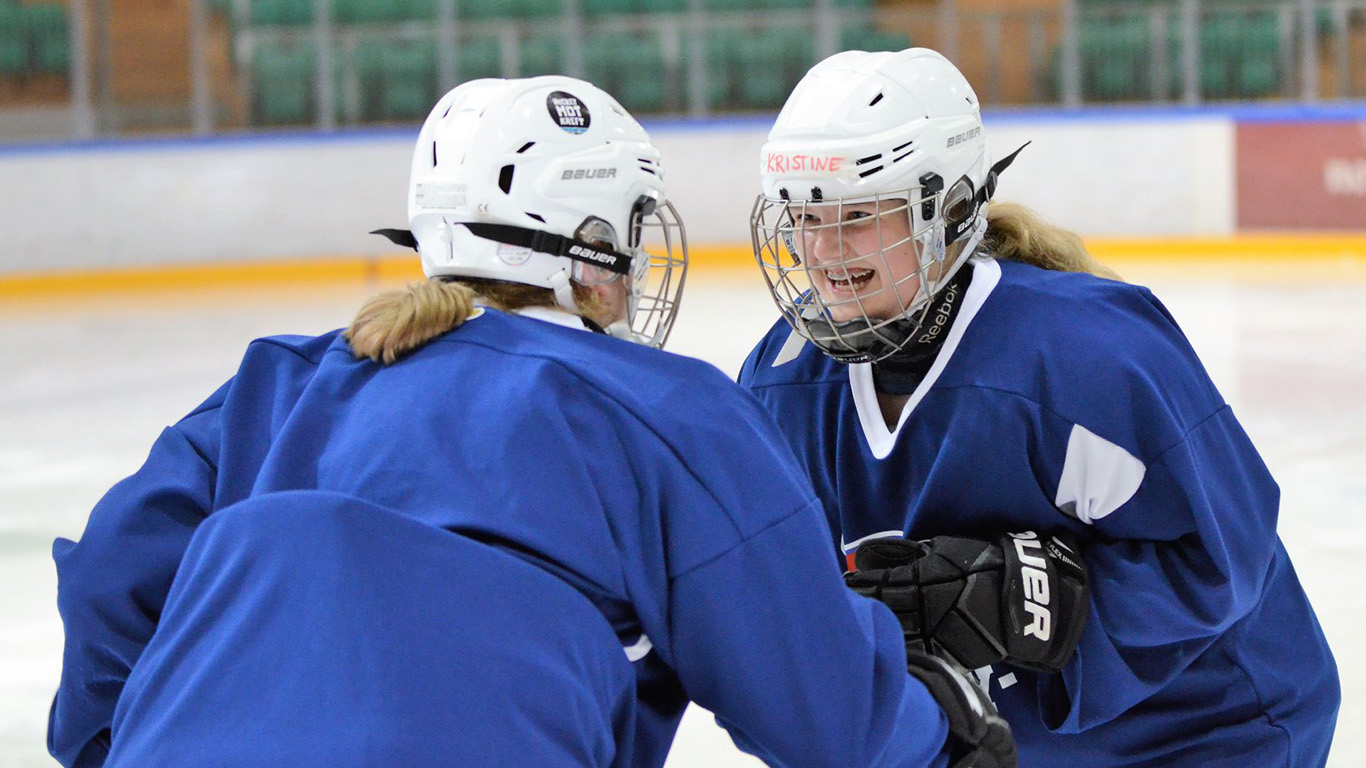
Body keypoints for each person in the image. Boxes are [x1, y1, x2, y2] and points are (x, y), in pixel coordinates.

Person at [47, 76, 1016, 768]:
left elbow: (106, 581)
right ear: (593, 252)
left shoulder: (282, 381)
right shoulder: (663, 410)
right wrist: (946, 732)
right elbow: (825, 709)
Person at [739, 47, 1340, 767]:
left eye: (858, 213)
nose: (824, 247)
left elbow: (1225, 553)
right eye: (805, 214)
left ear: (950, 208)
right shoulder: (781, 389)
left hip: (1206, 733)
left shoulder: (1087, 360)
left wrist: (1043, 605)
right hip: (1009, 748)